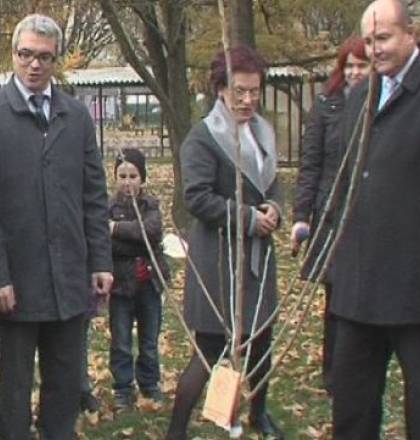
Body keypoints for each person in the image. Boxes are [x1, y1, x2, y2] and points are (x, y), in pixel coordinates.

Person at [328, 0, 420, 438]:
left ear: (411, 35)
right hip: (359, 284)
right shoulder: (360, 97)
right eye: (368, 40)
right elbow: (346, 180)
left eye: (384, 37)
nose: (375, 49)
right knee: (352, 406)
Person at [0, 13, 113, 440]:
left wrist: (100, 261)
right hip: (16, 282)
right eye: (26, 54)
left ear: (55, 60)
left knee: (64, 387)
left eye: (44, 57)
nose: (34, 65)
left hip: (69, 279)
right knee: (15, 390)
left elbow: (93, 194)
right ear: (13, 55)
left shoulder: (76, 117)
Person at [166, 46, 284, 440]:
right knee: (209, 350)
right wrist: (248, 218)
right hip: (220, 260)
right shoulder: (204, 138)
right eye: (239, 91)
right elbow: (197, 198)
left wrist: (274, 210)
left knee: (262, 341)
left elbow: (272, 184)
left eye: (255, 91)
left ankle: (259, 415)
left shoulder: (262, 132)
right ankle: (176, 430)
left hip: (258, 260)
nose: (248, 100)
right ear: (221, 89)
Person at [290, 36, 369, 392]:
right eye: (348, 66)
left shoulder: (383, 105)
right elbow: (311, 164)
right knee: (335, 295)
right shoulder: (327, 105)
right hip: (331, 212)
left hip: (368, 213)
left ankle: (360, 365)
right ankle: (333, 371)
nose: (354, 72)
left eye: (361, 65)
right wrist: (302, 215)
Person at [108, 148, 169, 409]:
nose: (128, 182)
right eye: (122, 176)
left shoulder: (150, 205)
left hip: (149, 284)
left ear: (142, 178)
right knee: (121, 340)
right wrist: (135, 241)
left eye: (133, 176)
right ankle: (123, 387)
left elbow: (152, 233)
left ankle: (149, 383)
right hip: (120, 286)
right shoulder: (109, 207)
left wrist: (117, 229)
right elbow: (107, 243)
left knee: (149, 340)